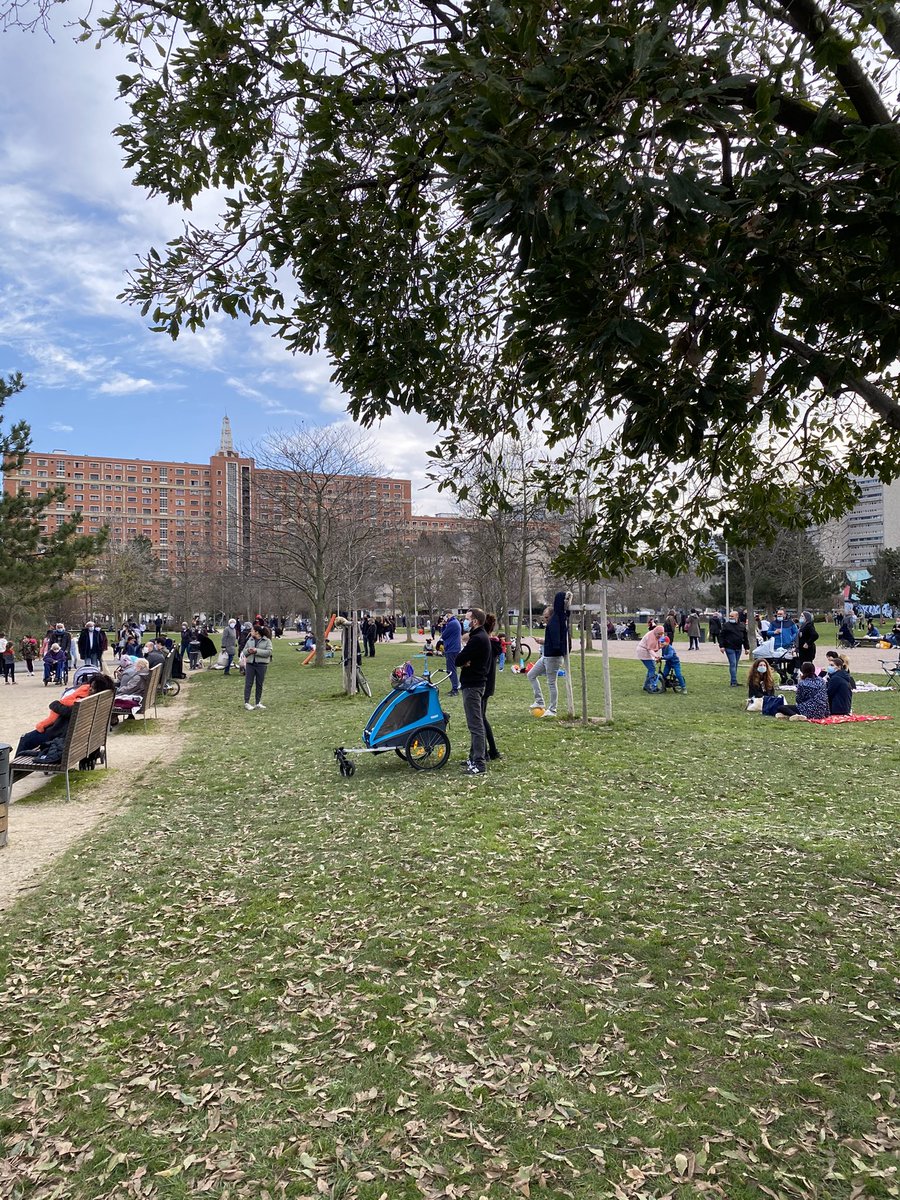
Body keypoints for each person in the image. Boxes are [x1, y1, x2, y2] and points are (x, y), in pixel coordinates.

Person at [15, 673, 116, 757]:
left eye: (93, 688)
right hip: (77, 740)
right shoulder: (98, 703)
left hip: (59, 735)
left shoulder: (84, 705)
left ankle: (12, 773)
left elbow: (56, 706)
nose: (89, 689)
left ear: (98, 691)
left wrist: (55, 703)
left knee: (26, 739)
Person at [455, 607, 492, 775]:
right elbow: (463, 660)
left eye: (467, 618)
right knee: (475, 724)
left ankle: (479, 762)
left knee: (475, 725)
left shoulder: (477, 638)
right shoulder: (480, 636)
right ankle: (474, 756)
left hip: (473, 685)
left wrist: (464, 661)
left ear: (475, 621)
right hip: (475, 683)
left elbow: (458, 659)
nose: (465, 621)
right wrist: (464, 661)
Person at [527, 591, 570, 716]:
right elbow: (552, 640)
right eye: (543, 618)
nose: (544, 620)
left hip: (553, 658)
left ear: (552, 616)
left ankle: (552, 709)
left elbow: (557, 641)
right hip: (546, 656)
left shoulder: (555, 622)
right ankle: (539, 701)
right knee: (531, 675)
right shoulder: (551, 624)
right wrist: (543, 642)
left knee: (551, 682)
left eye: (546, 617)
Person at [481, 612, 503, 762]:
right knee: (481, 718)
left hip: (483, 684)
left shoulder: (487, 644)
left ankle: (490, 751)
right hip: (487, 684)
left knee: (480, 719)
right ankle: (489, 751)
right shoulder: (491, 643)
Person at [243, 622, 273, 710]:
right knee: (248, 683)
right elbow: (244, 652)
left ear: (257, 632)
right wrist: (249, 650)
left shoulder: (267, 641)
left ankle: (257, 702)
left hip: (261, 665)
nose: (250, 631)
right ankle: (247, 702)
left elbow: (268, 652)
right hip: (250, 664)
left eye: (252, 630)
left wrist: (257, 651)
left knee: (259, 684)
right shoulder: (250, 640)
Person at [718, 610, 750, 686]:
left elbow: (745, 638)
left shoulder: (742, 626)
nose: (730, 617)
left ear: (737, 616)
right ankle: (734, 681)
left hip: (738, 648)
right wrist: (721, 646)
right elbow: (721, 636)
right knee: (733, 663)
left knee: (735, 664)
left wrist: (746, 648)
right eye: (730, 616)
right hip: (729, 647)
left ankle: (734, 680)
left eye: (732, 616)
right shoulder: (726, 625)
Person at [636, 622, 666, 692]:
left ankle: (646, 686)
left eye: (661, 634)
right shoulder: (651, 636)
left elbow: (659, 642)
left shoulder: (658, 634)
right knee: (652, 668)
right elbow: (650, 649)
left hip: (647, 652)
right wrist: (656, 656)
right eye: (659, 634)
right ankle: (653, 687)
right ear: (656, 632)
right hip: (643, 652)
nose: (660, 636)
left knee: (650, 669)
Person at [442, 611, 462, 696]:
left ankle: (455, 689)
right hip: (455, 648)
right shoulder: (455, 622)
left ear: (448, 615)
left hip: (451, 649)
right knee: (455, 668)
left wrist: (444, 625)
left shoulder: (452, 623)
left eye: (445, 616)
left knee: (451, 670)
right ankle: (458, 685)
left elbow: (443, 635)